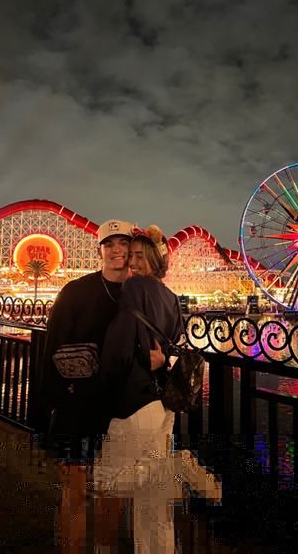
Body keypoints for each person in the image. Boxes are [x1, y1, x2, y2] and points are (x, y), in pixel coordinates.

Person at [40, 219, 133, 553]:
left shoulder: (140, 294)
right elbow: (52, 347)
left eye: (123, 244)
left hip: (121, 408)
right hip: (77, 407)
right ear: (100, 250)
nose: (116, 251)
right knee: (75, 491)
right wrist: (54, 401)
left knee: (111, 494)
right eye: (110, 244)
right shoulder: (76, 291)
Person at [94, 225, 181, 553]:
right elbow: (176, 348)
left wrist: (104, 381)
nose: (131, 261)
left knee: (108, 483)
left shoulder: (134, 288)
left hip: (133, 404)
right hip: (163, 407)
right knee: (155, 505)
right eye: (130, 256)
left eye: (139, 257)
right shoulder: (171, 297)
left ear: (155, 259)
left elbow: (118, 351)